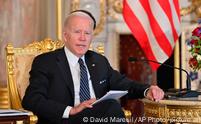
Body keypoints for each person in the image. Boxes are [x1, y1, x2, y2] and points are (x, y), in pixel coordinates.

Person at [22, 10, 164, 124]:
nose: (83, 38)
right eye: (77, 32)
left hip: (96, 119)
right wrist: (71, 110)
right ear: (65, 36)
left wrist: (147, 90)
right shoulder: (46, 62)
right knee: (112, 107)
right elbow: (31, 99)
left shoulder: (98, 61)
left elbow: (123, 84)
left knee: (110, 108)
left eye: (87, 33)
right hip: (65, 119)